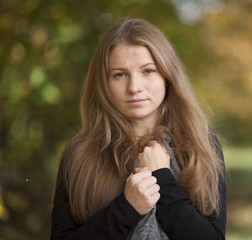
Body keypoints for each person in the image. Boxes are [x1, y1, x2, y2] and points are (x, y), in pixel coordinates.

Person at [50, 17, 226, 240]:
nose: (134, 87)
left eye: (148, 71)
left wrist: (163, 179)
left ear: (167, 75)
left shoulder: (201, 147)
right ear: (104, 84)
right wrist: (126, 209)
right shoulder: (79, 154)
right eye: (120, 75)